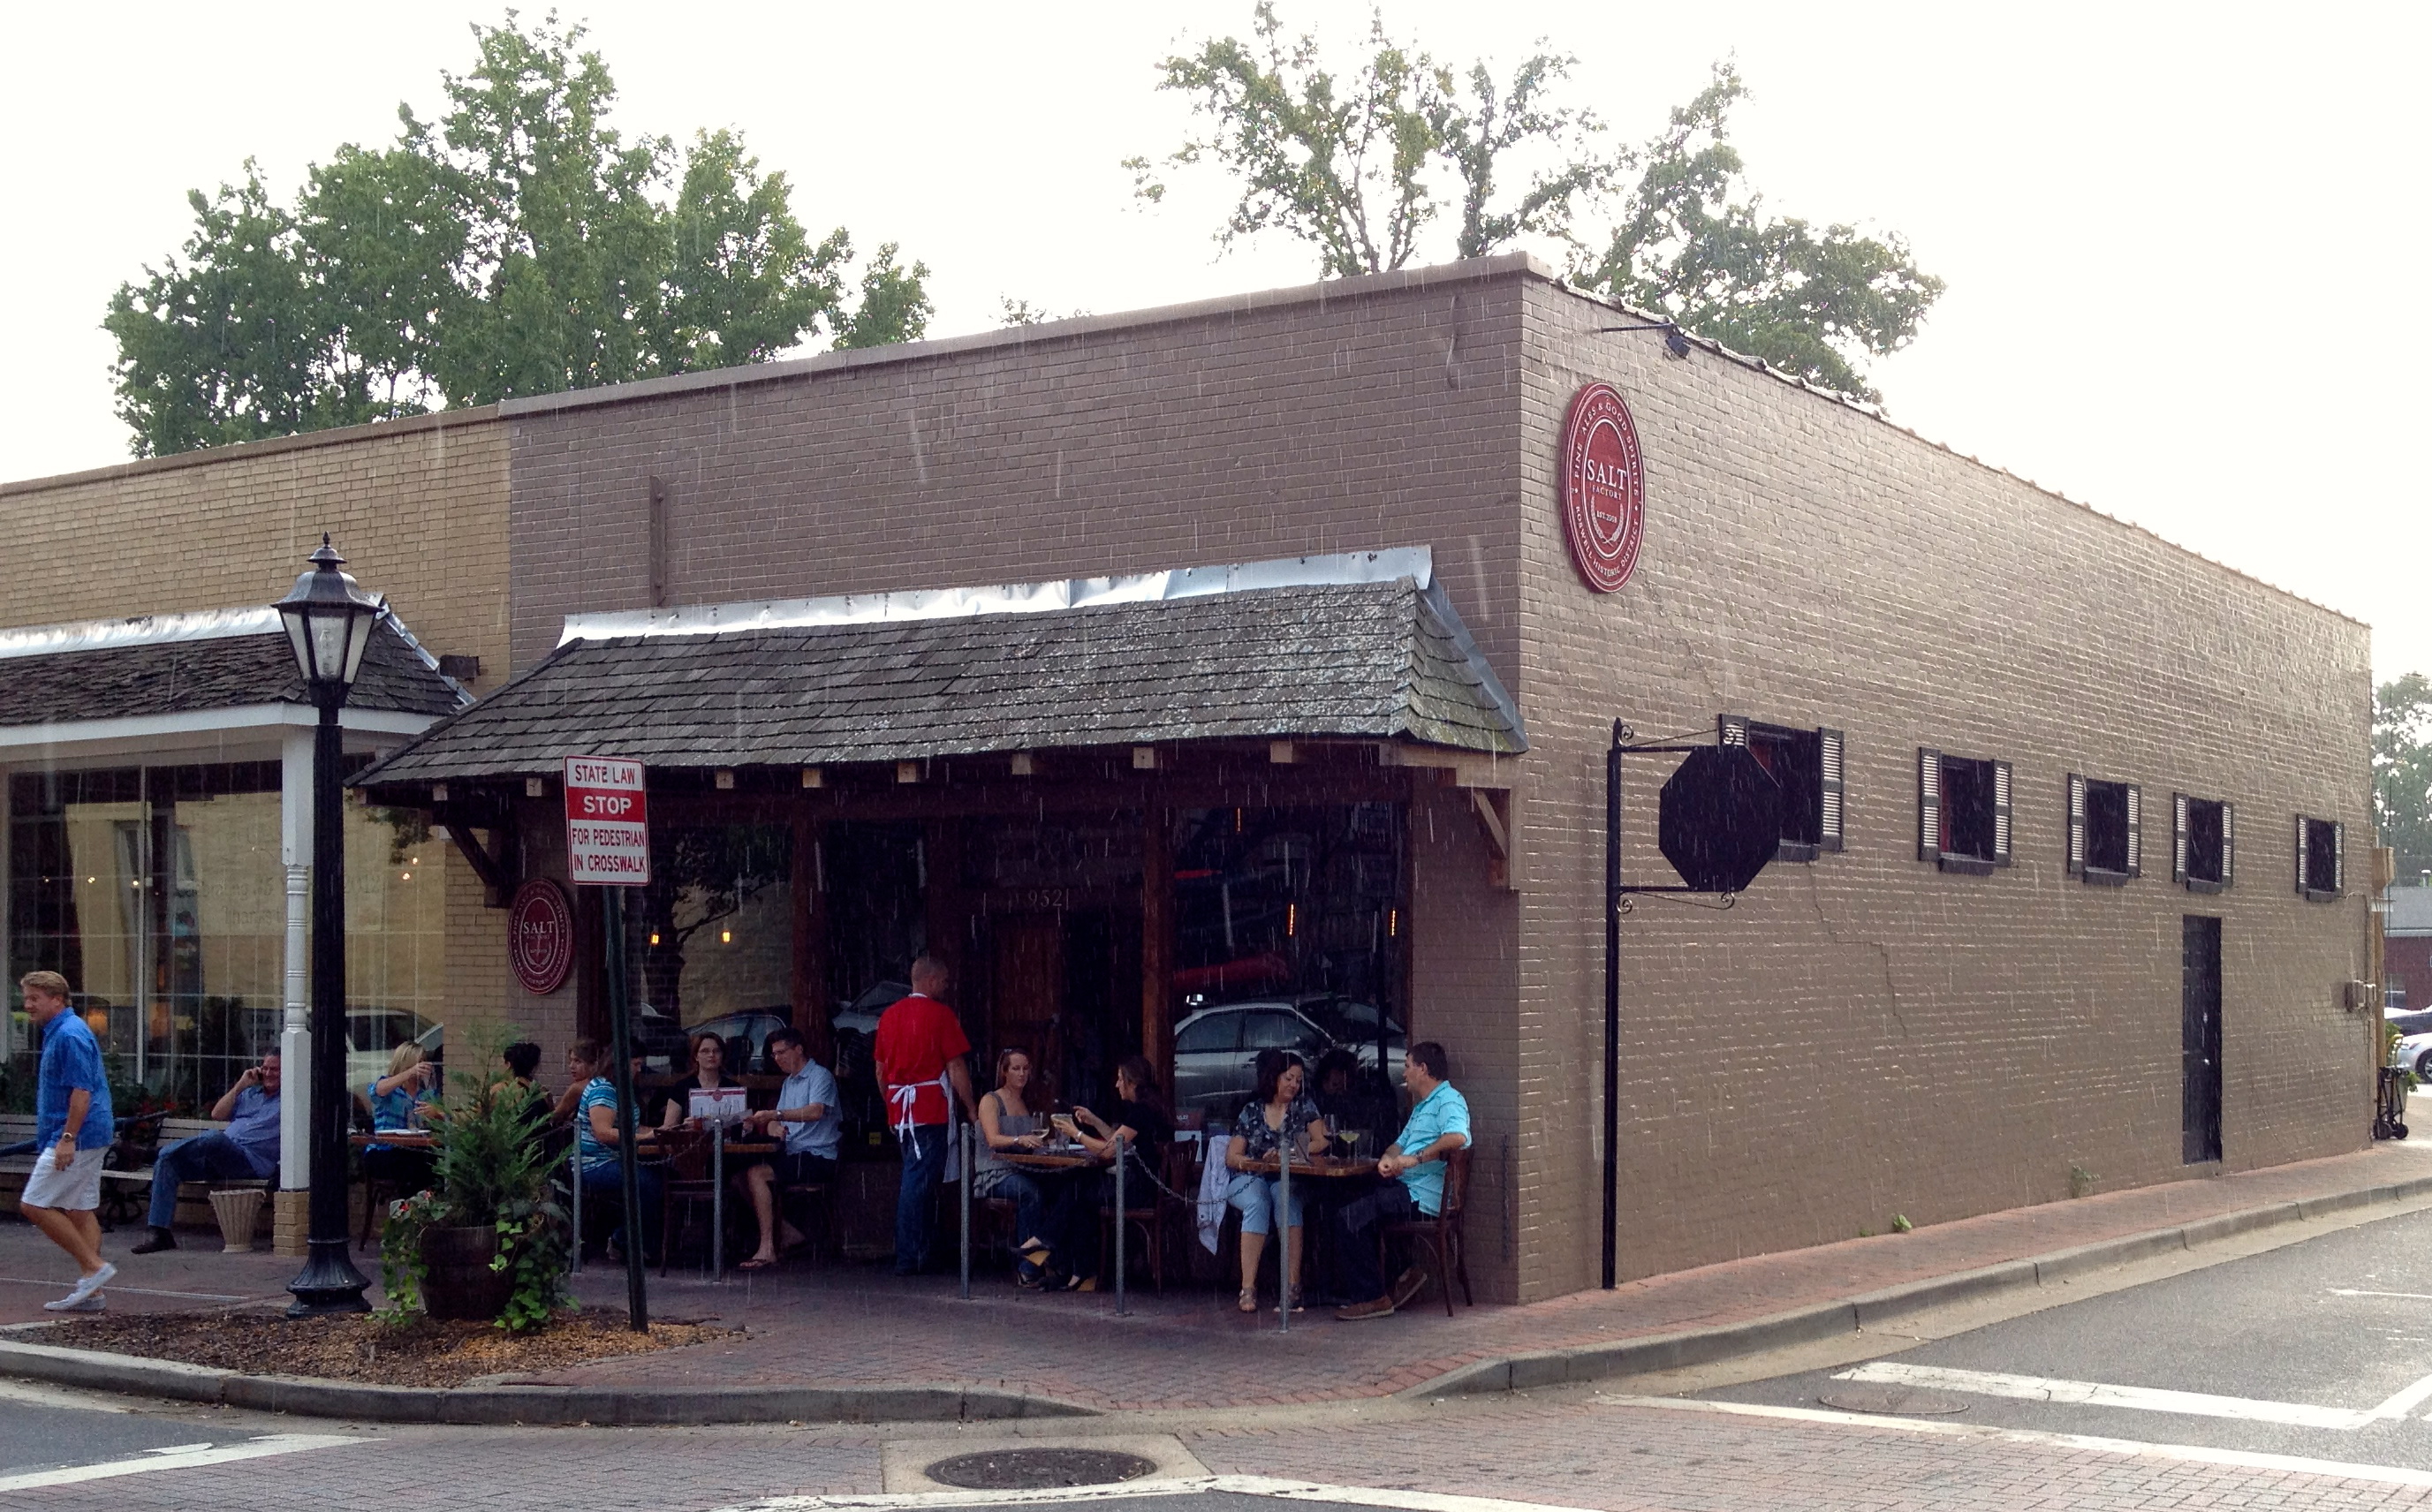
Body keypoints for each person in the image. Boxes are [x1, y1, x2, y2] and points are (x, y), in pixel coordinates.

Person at [1332, 1040, 1471, 1321]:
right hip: (1403, 1187)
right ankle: (1401, 1273)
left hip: (1421, 1196)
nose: (1404, 1072)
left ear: (1423, 1069)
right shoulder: (1421, 1107)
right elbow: (1399, 1144)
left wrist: (1416, 1158)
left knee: (1350, 1218)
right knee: (1342, 1199)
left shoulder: (1449, 1100)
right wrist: (1388, 1158)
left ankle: (1372, 1297)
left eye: (1408, 1066)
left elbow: (1458, 1137)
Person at [19, 971, 116, 1311]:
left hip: (78, 1135)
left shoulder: (69, 1035)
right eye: (26, 998)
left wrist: (67, 1139)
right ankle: (93, 1292)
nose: (28, 1005)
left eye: (34, 998)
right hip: (88, 1133)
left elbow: (81, 1092)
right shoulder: (62, 1031)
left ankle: (94, 1268)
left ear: (57, 999)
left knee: (33, 1204)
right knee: (79, 1211)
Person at [874, 956, 975, 1275]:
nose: (946, 987)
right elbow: (956, 1067)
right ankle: (910, 1254)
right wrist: (971, 1107)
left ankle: (920, 1250)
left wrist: (890, 1106)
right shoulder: (940, 1015)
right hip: (929, 1107)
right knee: (918, 1182)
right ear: (930, 980)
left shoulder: (889, 1015)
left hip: (902, 1108)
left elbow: (880, 1071)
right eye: (943, 981)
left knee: (917, 1178)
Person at [131, 1050, 283, 1254]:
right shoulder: (249, 1094)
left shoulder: (290, 1101)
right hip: (219, 1158)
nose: (269, 1073)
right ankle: (160, 1234)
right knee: (168, 1164)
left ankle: (156, 1152)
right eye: (265, 1068)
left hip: (250, 1161)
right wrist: (241, 1085)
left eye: (275, 1069)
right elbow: (217, 1114)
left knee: (213, 1138)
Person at [1224, 1047, 1329, 1314]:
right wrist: (1256, 1163)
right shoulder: (1252, 1110)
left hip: (1291, 1176)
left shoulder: (1304, 1107)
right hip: (1251, 1177)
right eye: (1288, 1078)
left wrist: (1289, 1151)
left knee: (1285, 1197)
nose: (1294, 1085)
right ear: (1274, 1078)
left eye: (1298, 1080)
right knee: (1257, 1203)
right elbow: (1232, 1156)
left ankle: (1293, 1286)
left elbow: (1321, 1141)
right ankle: (1248, 1287)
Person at [1072, 1054, 1176, 1293]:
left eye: (1120, 1079)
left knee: (1079, 1198)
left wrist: (1075, 1133)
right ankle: (1054, 1251)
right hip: (1156, 1188)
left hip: (1142, 1190)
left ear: (1133, 1082)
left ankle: (1082, 1268)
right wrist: (1093, 1120)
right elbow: (1119, 1140)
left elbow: (1109, 1150)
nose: (1117, 1084)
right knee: (1078, 1191)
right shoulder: (1154, 1106)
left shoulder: (1141, 1111)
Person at [739, 1028, 841, 1269]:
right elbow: (779, 1120)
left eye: (782, 1052)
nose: (778, 1058)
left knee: (756, 1174)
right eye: (774, 1054)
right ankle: (788, 1233)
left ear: (799, 1049)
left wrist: (776, 1115)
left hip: (818, 1156)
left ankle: (767, 1249)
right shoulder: (789, 1082)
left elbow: (815, 1111)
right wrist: (773, 1125)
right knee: (738, 1178)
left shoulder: (820, 1076)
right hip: (793, 1152)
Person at [970, 1047, 1060, 1287]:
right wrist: (1019, 1139)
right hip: (994, 1172)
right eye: (1016, 1068)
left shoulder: (1025, 1100)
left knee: (1062, 1188)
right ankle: (1027, 1268)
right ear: (1004, 1072)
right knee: (1030, 1193)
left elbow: (1032, 1139)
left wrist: (1045, 1143)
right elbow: (993, 1139)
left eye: (1026, 1068)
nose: (1022, 1074)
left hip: (1022, 1168)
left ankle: (1058, 1260)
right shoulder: (991, 1100)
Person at [577, 1049, 663, 1264]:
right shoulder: (604, 1089)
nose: (639, 1069)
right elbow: (603, 1132)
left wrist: (661, 1131)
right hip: (595, 1163)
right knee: (648, 1183)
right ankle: (624, 1241)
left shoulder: (620, 1088)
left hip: (612, 1159)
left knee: (660, 1176)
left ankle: (642, 1243)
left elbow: (632, 1127)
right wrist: (644, 1138)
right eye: (635, 1064)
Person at [361, 1041, 438, 1196]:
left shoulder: (425, 1094)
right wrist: (409, 1073)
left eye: (424, 1061)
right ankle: (409, 1204)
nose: (422, 1065)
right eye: (419, 1061)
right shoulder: (390, 1087)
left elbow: (439, 1115)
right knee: (414, 1162)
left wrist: (435, 1113)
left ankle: (421, 1203)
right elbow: (377, 1091)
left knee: (435, 1161)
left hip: (415, 1148)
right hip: (384, 1150)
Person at [662, 1031, 742, 1129]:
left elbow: (742, 1124)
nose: (711, 1055)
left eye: (717, 1051)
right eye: (705, 1051)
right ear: (696, 1056)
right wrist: (684, 1126)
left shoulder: (733, 1087)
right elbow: (669, 1128)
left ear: (722, 1055)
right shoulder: (681, 1088)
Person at [551, 1040, 604, 1129]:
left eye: (578, 1061)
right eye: (571, 1060)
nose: (571, 1066)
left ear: (593, 1065)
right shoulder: (604, 1084)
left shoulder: (578, 1088)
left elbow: (555, 1117)